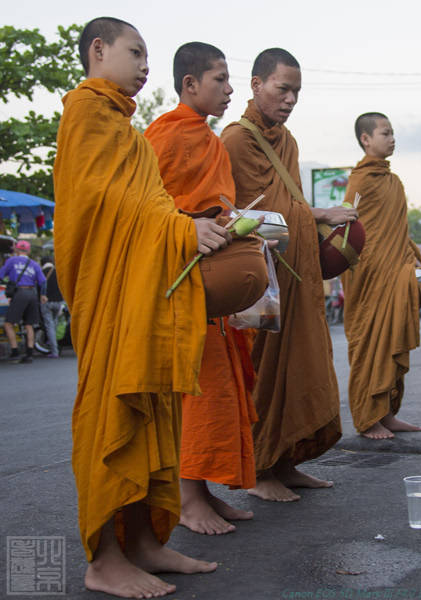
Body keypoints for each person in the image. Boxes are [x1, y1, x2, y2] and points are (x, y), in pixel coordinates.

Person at [53, 17, 230, 597]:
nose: (145, 64)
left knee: (153, 415)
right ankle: (104, 559)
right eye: (136, 52)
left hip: (143, 296)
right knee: (112, 420)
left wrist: (191, 226)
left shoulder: (128, 132)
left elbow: (149, 203)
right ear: (98, 50)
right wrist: (180, 231)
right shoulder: (86, 111)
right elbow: (100, 202)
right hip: (110, 299)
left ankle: (145, 542)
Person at [221, 48, 357, 502]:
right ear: (256, 84)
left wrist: (316, 220)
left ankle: (287, 461)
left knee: (303, 367)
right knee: (264, 371)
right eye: (283, 88)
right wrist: (317, 212)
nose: (291, 98)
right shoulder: (236, 140)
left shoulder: (288, 141)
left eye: (297, 91)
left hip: (296, 271)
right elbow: (239, 214)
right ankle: (260, 470)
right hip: (261, 276)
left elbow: (289, 203)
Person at [144, 41, 260, 535]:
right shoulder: (164, 136)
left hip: (206, 280)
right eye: (220, 78)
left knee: (219, 386)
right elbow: (148, 209)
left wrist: (234, 225)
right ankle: (187, 499)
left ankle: (203, 492)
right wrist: (192, 227)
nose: (230, 89)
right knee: (198, 389)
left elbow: (212, 205)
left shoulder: (209, 140)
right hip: (176, 276)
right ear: (190, 84)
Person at [340, 112, 421, 439]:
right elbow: (351, 231)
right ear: (366, 139)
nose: (392, 138)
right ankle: (367, 418)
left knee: (392, 340)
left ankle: (387, 414)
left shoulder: (393, 181)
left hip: (394, 273)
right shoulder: (360, 180)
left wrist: (411, 257)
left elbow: (397, 231)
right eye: (385, 133)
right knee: (370, 344)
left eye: (392, 133)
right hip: (369, 276)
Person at [1, 240, 46, 363]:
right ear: (29, 251)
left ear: (16, 249)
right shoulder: (34, 264)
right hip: (32, 294)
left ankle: (15, 351)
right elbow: (43, 281)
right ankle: (29, 354)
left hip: (19, 293)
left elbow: (1, 275)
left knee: (8, 324)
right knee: (29, 325)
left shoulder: (11, 261)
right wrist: (43, 295)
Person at [40, 257, 63, 358]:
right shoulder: (58, 271)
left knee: (49, 326)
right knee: (55, 324)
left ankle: (55, 351)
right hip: (59, 302)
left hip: (47, 302)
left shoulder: (41, 272)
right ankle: (57, 344)